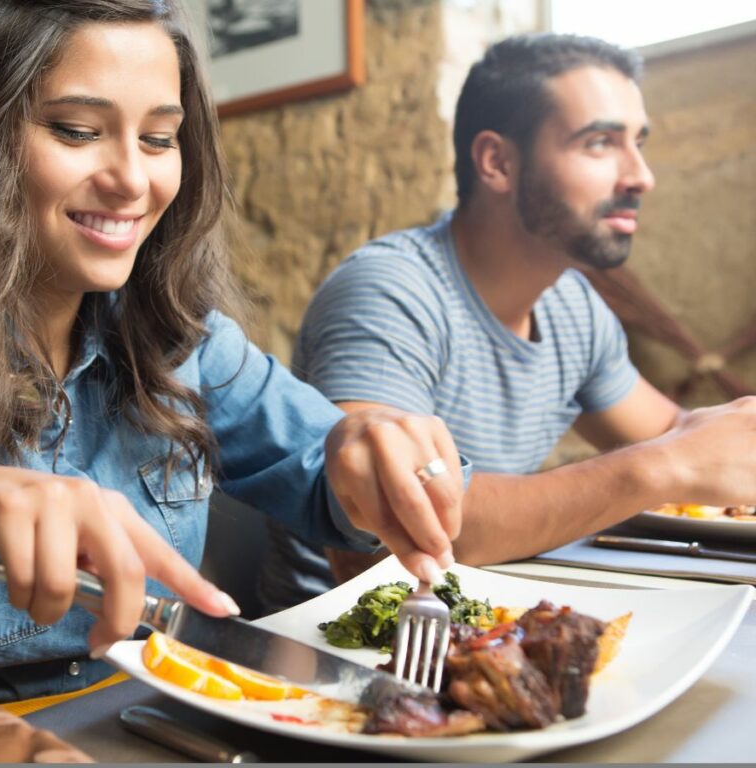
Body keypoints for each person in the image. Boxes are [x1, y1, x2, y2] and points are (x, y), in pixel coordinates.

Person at [0, 0, 466, 760]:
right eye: (77, 131)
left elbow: (332, 479)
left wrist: (372, 454)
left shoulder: (171, 328)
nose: (131, 181)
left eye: (158, 139)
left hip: (180, 730)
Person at [259, 32, 756, 615]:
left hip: (487, 621)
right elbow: (398, 525)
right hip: (334, 648)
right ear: (497, 162)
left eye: (637, 143)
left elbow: (682, 436)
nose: (640, 175)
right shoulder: (390, 292)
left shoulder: (573, 306)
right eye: (600, 143)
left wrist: (704, 451)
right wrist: (668, 465)